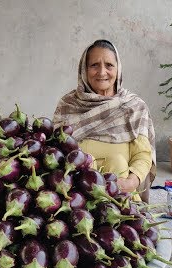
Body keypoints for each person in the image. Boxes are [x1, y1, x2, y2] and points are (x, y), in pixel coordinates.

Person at [53, 39, 156, 200]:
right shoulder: (68, 105)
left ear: (118, 68)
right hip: (76, 196)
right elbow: (55, 152)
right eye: (94, 65)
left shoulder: (133, 107)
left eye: (109, 65)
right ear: (84, 70)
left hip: (120, 196)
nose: (102, 72)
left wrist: (132, 181)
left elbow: (143, 155)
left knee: (118, 161)